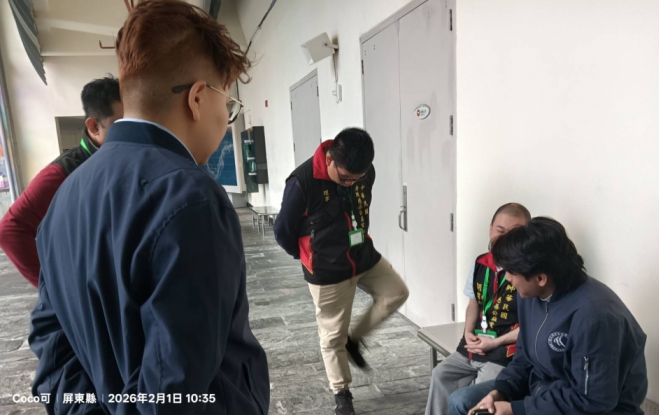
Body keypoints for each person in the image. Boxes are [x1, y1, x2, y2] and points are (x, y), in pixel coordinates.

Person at [28, 1, 269, 414]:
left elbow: (51, 345)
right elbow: (171, 396)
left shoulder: (66, 194)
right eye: (227, 105)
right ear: (197, 98)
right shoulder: (192, 198)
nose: (225, 119)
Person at [449, 217, 648, 415]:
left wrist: (516, 409)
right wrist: (501, 391)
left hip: (590, 409)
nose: (507, 278)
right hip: (542, 390)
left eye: (511, 272)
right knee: (461, 402)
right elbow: (524, 356)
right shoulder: (530, 295)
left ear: (540, 278)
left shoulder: (594, 318)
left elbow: (592, 400)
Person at [274, 128, 409, 415]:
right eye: (345, 177)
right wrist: (308, 255)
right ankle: (341, 392)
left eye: (356, 179)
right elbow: (282, 230)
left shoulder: (364, 173)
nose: (351, 183)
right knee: (331, 336)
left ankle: (354, 339)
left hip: (362, 255)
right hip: (327, 270)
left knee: (396, 292)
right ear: (330, 159)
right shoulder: (302, 181)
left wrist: (355, 181)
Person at [0, 76, 122, 287]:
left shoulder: (121, 161)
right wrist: (53, 289)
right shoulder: (63, 172)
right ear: (94, 126)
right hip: (94, 292)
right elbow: (11, 230)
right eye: (120, 126)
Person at [425, 203, 530, 415]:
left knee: (481, 391)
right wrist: (468, 333)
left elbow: (531, 325)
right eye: (500, 230)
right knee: (440, 374)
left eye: (513, 233)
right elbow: (474, 303)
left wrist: (496, 342)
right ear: (490, 228)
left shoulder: (528, 272)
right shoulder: (481, 263)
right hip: (475, 345)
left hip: (504, 352)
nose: (504, 238)